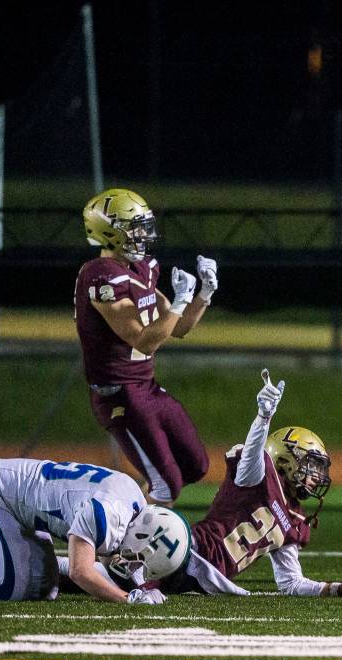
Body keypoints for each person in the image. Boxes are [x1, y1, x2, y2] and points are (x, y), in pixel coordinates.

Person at [144, 369, 342, 598]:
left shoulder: (295, 520)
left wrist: (340, 589)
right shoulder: (258, 476)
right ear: (286, 458)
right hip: (187, 549)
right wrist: (264, 417)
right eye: (311, 465)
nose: (316, 476)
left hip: (206, 579)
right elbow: (253, 452)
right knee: (130, 581)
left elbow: (291, 584)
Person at [75, 188, 218, 507]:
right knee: (167, 486)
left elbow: (176, 328)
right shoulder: (100, 277)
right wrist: (179, 301)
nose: (143, 235)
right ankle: (122, 548)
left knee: (195, 466)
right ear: (109, 232)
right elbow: (143, 338)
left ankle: (124, 516)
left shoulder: (141, 269)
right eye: (134, 227)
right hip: (120, 395)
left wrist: (204, 293)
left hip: (147, 388)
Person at [0, 458, 190, 604]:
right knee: (11, 591)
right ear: (143, 537)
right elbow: (80, 571)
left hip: (18, 503)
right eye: (140, 560)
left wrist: (134, 584)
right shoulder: (106, 515)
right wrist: (127, 599)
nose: (134, 564)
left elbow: (104, 560)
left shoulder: (133, 502)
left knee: (44, 586)